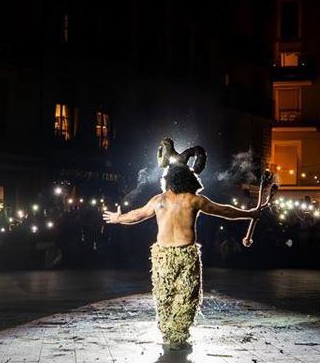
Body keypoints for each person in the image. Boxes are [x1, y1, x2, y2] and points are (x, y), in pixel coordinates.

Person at [103, 139, 269, 349]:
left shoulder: (159, 200)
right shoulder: (193, 200)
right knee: (185, 296)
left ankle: (171, 334)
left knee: (164, 294)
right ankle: (177, 336)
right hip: (185, 254)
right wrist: (249, 214)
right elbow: (224, 211)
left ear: (169, 180)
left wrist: (119, 218)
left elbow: (137, 215)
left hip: (163, 256)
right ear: (189, 179)